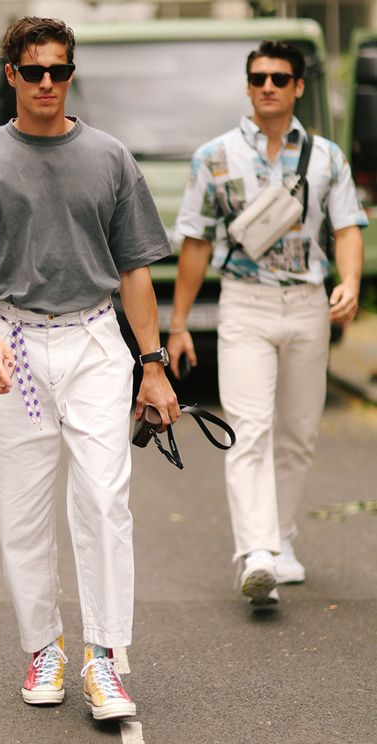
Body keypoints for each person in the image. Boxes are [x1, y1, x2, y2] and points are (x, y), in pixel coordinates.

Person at [0, 16, 179, 719]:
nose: (44, 84)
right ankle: (44, 648)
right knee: (23, 512)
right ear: (10, 76)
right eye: (31, 71)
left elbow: (133, 272)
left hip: (95, 343)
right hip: (17, 347)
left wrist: (151, 366)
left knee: (103, 500)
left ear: (70, 74)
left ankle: (103, 658)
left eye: (57, 71)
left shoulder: (109, 158)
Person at [167, 40, 366, 608]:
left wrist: (347, 282)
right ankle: (255, 553)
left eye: (280, 77)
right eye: (259, 77)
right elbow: (196, 240)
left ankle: (281, 537)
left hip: (308, 305)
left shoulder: (327, 157)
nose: (269, 86)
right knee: (249, 428)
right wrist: (178, 324)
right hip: (244, 305)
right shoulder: (214, 156)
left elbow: (347, 226)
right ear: (248, 85)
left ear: (299, 87)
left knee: (299, 434)